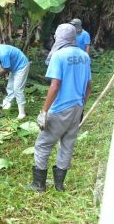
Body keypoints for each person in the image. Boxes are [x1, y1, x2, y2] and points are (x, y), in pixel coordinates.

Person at [30, 23, 92, 192]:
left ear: (59, 37)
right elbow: (89, 86)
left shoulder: (59, 56)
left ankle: (39, 184)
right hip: (78, 106)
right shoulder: (84, 56)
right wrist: (82, 106)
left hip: (60, 109)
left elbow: (55, 85)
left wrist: (44, 111)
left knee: (43, 144)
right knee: (67, 144)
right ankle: (59, 185)